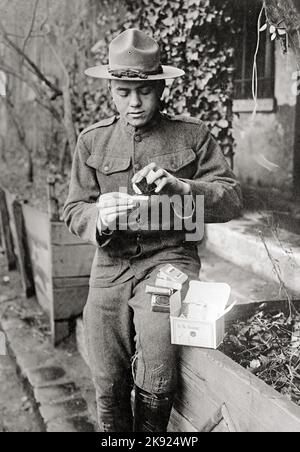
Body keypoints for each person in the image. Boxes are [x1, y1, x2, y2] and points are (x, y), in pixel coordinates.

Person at [63, 28, 243, 432]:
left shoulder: (191, 135)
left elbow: (231, 199)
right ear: (111, 88)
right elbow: (73, 208)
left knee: (158, 350)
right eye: (123, 92)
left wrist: (185, 187)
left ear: (160, 87)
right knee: (106, 369)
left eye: (144, 91)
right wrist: (99, 218)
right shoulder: (92, 141)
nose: (134, 102)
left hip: (169, 260)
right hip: (110, 264)